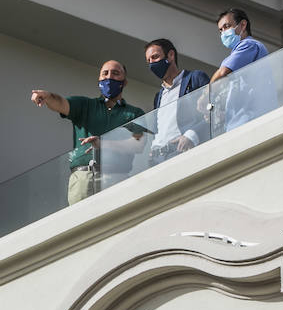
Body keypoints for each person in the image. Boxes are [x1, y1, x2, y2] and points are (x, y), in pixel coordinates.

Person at [30, 60, 146, 205]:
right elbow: (62, 104)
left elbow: (138, 144)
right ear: (99, 79)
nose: (109, 77)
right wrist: (47, 97)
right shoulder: (85, 105)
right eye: (105, 73)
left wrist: (103, 144)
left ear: (125, 82)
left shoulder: (134, 113)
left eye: (115, 73)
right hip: (83, 178)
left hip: (116, 178)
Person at [143, 38, 211, 165]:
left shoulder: (195, 78)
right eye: (149, 61)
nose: (152, 63)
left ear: (171, 55)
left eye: (155, 57)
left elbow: (213, 111)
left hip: (183, 151)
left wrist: (192, 135)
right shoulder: (158, 96)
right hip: (158, 159)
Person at [210, 8, 276, 131]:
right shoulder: (237, 56)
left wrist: (206, 94)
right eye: (221, 30)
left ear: (243, 25)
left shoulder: (249, 45)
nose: (224, 32)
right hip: (238, 124)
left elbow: (222, 72)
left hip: (253, 122)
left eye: (227, 26)